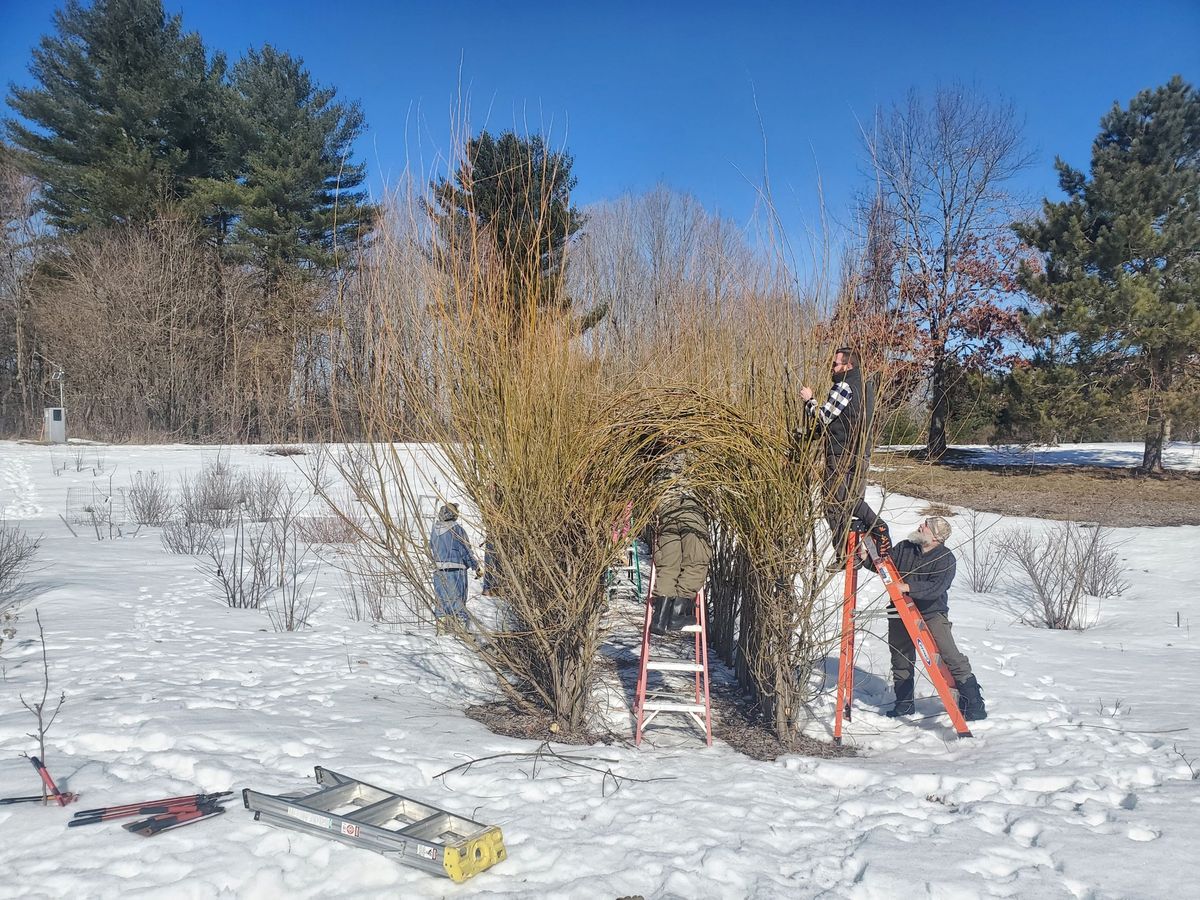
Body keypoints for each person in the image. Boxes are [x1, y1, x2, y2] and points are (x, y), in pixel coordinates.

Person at [859, 515, 986, 721]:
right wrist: (867, 559)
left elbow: (937, 588)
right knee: (900, 657)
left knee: (951, 656)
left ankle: (974, 704)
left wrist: (907, 587)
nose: (920, 526)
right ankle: (904, 704)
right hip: (900, 611)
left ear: (935, 536)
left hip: (931, 613)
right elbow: (886, 567)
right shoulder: (905, 548)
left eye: (925, 526)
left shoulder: (945, 558)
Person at [798, 347, 888, 568]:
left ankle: (847, 554)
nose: (832, 367)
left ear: (848, 366)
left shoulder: (843, 386)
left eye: (836, 364)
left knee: (831, 503)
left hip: (841, 455)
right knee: (850, 502)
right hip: (858, 453)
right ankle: (870, 533)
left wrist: (809, 400)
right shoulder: (863, 387)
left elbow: (824, 416)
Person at [649, 488, 712, 635]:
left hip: (665, 505)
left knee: (668, 564)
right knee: (697, 560)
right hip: (690, 505)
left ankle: (660, 616)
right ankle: (677, 614)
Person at [429, 503, 481, 627]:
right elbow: (465, 549)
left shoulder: (434, 530)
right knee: (458, 601)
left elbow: (432, 548)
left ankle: (441, 628)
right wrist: (475, 566)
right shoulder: (457, 529)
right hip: (456, 569)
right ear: (454, 514)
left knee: (441, 600)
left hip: (439, 569)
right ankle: (461, 629)